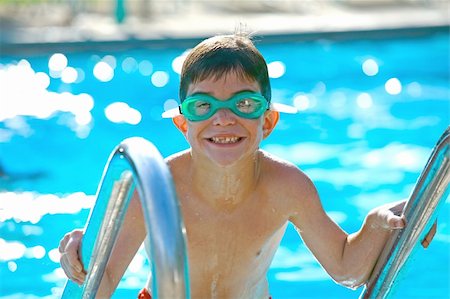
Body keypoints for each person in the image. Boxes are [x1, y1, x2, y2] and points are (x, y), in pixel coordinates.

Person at [58, 32, 436, 299]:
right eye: (203, 106)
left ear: (268, 122)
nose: (223, 119)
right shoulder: (156, 189)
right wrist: (85, 249)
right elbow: (102, 283)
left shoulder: (287, 186)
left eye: (244, 104)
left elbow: (344, 268)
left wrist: (378, 227)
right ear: (183, 125)